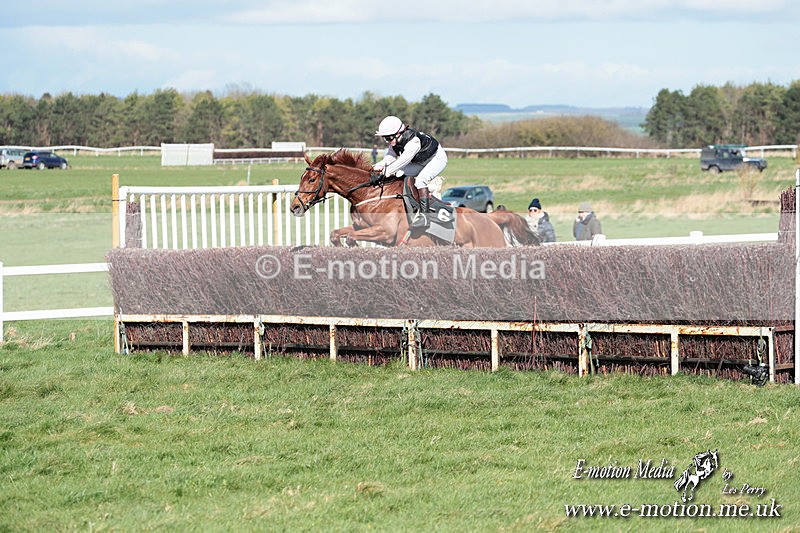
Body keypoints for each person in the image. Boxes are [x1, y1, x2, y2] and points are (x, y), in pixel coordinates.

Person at [371, 115, 448, 227]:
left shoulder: (413, 142)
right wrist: (375, 167)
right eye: (385, 138)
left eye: (389, 138)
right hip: (420, 162)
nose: (387, 141)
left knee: (421, 181)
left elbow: (402, 162)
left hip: (437, 159)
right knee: (399, 175)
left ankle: (426, 217)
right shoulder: (395, 141)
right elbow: (390, 157)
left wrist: (385, 173)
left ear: (398, 134)